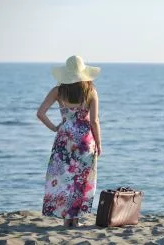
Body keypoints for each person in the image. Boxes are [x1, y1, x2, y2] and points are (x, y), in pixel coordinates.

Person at [37, 55, 102, 227]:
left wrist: (55, 128)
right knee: (81, 178)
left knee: (65, 178)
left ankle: (67, 220)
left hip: (64, 138)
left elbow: (40, 113)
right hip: (85, 140)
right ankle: (76, 219)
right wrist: (99, 143)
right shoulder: (91, 91)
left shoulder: (58, 91)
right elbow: (94, 121)